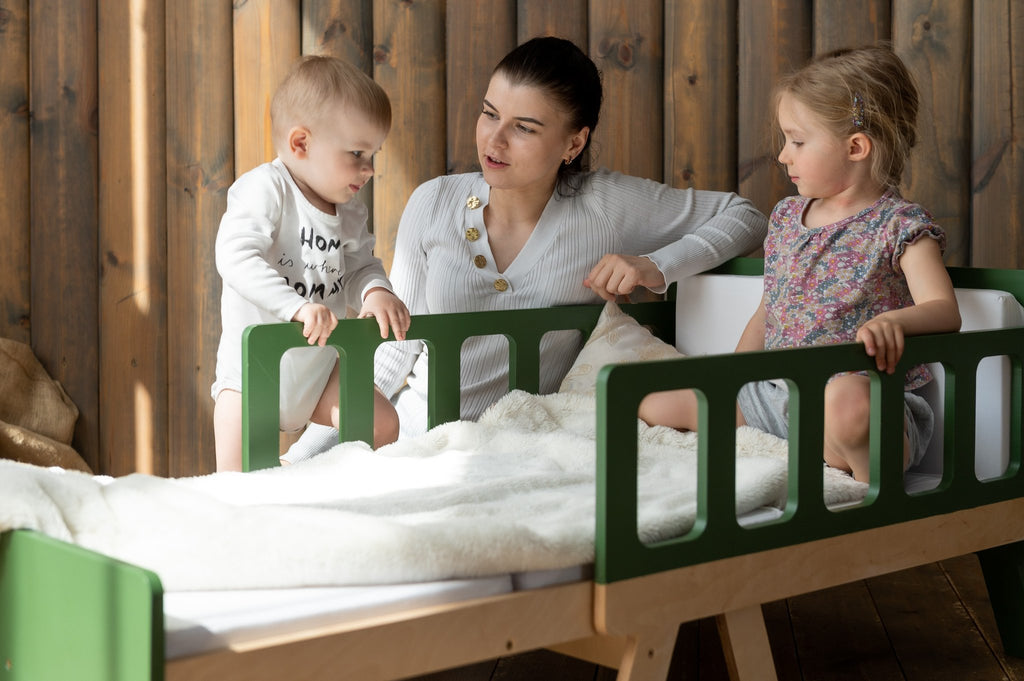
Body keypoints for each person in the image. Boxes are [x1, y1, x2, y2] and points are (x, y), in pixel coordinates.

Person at [286, 36, 767, 459]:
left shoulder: (603, 206)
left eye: (524, 127)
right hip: (409, 440)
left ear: (573, 144)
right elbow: (396, 349)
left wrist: (655, 266)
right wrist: (301, 455)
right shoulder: (434, 201)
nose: (494, 140)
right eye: (489, 114)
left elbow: (746, 217)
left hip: (519, 448)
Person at [638, 45, 961, 483]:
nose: (783, 154)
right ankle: (805, 450)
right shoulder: (789, 216)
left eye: (798, 140)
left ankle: (871, 493)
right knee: (651, 399)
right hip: (776, 396)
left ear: (856, 147)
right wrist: (731, 373)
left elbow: (944, 308)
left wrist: (897, 322)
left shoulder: (899, 224)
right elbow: (770, 306)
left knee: (847, 404)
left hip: (865, 399)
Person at [212, 55, 410, 472]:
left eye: (373, 154)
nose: (369, 169)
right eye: (357, 153)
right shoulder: (266, 190)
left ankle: (338, 498)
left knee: (383, 424)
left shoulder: (350, 211)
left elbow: (359, 266)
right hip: (252, 377)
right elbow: (235, 256)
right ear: (301, 143)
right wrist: (295, 307)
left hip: (319, 373)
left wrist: (376, 291)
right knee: (234, 488)